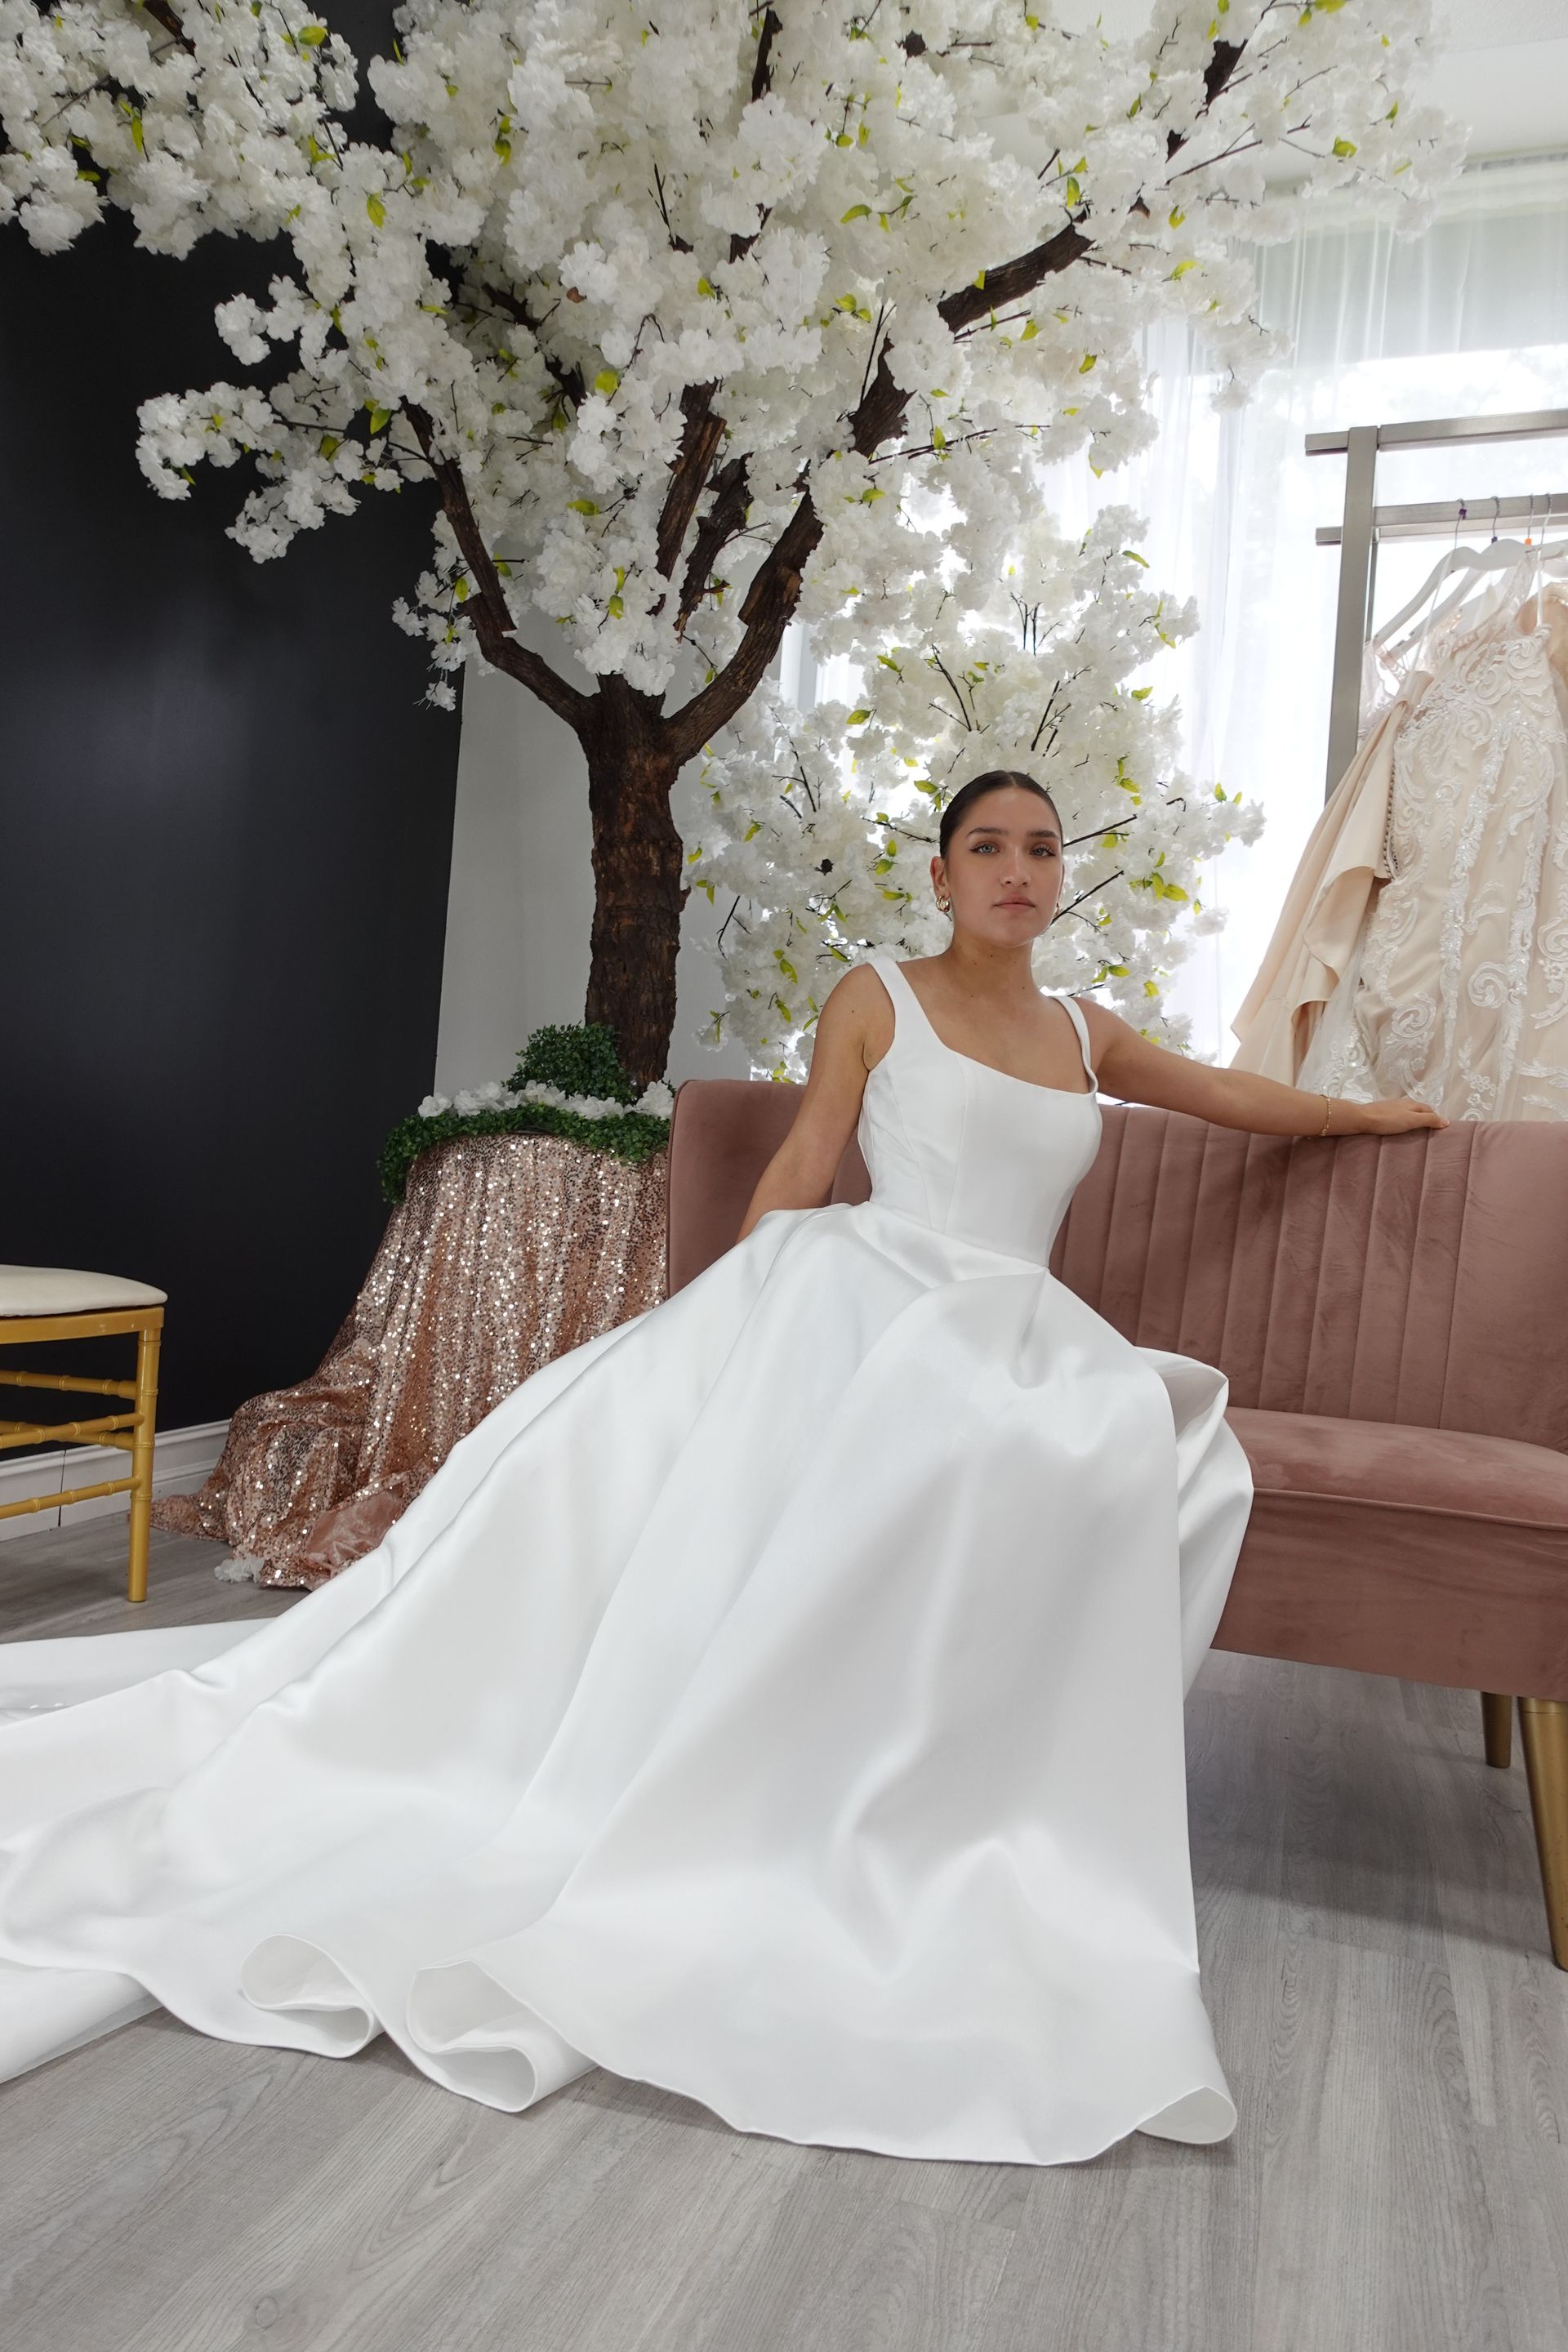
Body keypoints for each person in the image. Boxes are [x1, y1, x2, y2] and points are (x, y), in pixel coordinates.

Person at [0, 770, 1445, 2167]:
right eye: (990, 846)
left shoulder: (1086, 1030)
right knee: (873, 1434)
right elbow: (809, 1159)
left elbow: (1230, 1097)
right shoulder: (878, 997)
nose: (1019, 870)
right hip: (873, 1288)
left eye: (1044, 848)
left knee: (1116, 1441)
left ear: (1064, 876)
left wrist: (1373, 1118)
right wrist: (730, 1311)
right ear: (942, 874)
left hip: (1014, 1321)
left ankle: (942, 1791)